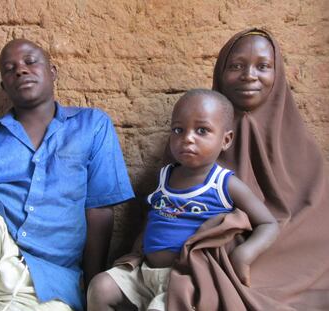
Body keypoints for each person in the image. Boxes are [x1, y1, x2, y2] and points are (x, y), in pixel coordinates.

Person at [0, 39, 134, 311]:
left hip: (49, 279)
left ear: (52, 72)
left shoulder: (91, 126)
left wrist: (92, 291)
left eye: (30, 62)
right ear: (3, 86)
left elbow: (99, 212)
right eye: (9, 69)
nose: (20, 70)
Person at [87, 89, 279, 311]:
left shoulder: (223, 184)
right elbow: (156, 216)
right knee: (99, 287)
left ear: (225, 140)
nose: (187, 138)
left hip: (185, 279)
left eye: (202, 130)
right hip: (144, 271)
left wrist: (244, 255)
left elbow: (268, 223)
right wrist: (139, 246)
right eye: (178, 129)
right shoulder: (165, 175)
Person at [212, 28, 329, 309]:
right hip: (223, 256)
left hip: (289, 255)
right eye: (236, 66)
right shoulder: (198, 133)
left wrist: (258, 246)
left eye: (262, 66)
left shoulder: (301, 144)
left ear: (278, 76)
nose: (249, 75)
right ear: (219, 72)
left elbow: (319, 221)